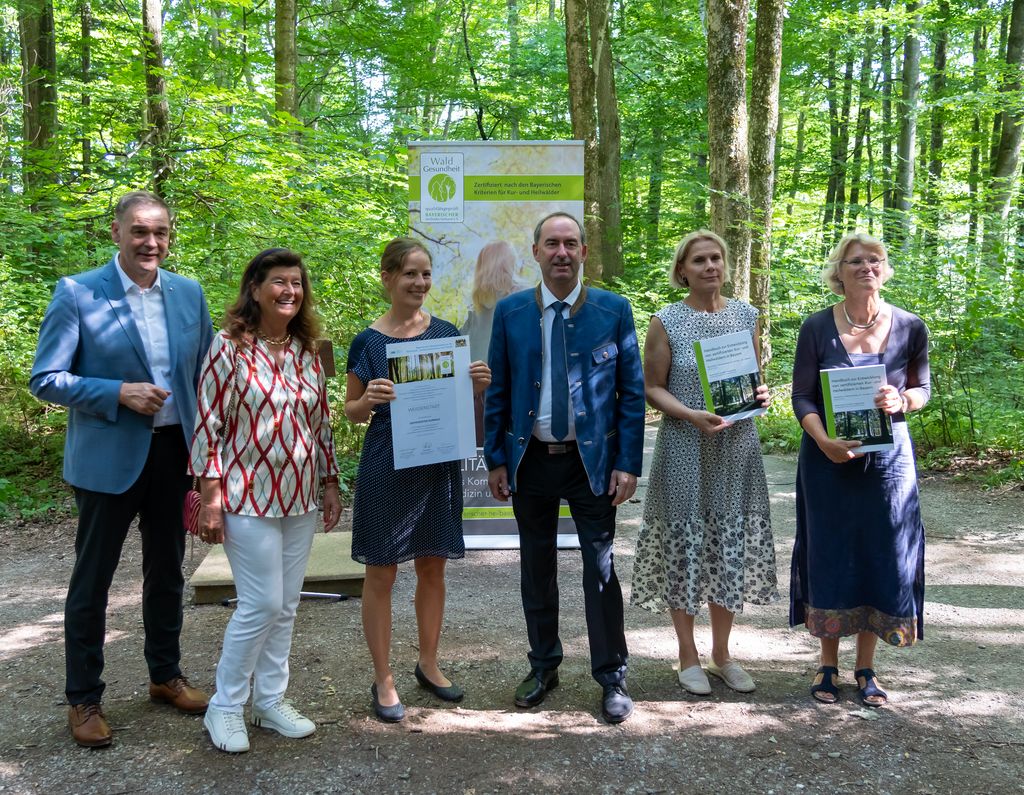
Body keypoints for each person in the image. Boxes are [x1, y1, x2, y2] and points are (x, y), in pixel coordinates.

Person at [29, 191, 214, 748]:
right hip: (109, 459)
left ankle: (165, 675)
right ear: (116, 233)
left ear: (170, 235)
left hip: (174, 455)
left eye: (159, 232)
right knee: (94, 580)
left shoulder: (188, 293)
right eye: (139, 231)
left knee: (167, 571)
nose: (150, 242)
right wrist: (117, 392)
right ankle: (83, 699)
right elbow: (46, 378)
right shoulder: (79, 292)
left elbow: (208, 374)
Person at [484, 212, 646, 724]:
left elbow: (632, 394)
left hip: (590, 462)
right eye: (551, 244)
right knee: (537, 567)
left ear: (582, 252)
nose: (561, 252)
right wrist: (495, 458)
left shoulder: (612, 310)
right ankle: (543, 665)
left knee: (600, 571)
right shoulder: (510, 312)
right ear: (535, 253)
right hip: (531, 460)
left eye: (570, 244)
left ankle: (611, 676)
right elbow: (499, 392)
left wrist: (627, 463)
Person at [190, 248, 341, 753]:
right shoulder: (228, 346)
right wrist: (210, 496)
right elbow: (207, 423)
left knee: (288, 605)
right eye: (279, 282)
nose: (290, 292)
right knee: (261, 602)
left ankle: (270, 700)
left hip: (299, 494)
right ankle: (225, 706)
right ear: (254, 288)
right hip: (244, 495)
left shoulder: (306, 349)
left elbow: (321, 425)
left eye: (297, 283)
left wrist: (330, 483)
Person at [345, 237, 491, 723]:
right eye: (410, 274)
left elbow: (464, 411)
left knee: (433, 568)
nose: (420, 283)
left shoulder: (447, 334)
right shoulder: (368, 342)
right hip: (387, 466)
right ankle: (382, 677)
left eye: (426, 274)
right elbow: (350, 413)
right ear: (386, 277)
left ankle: (428, 663)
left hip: (437, 467)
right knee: (381, 572)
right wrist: (369, 400)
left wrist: (475, 387)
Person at [631, 231, 778, 697]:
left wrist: (759, 396)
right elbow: (652, 387)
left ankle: (722, 653)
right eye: (699, 260)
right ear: (683, 271)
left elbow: (752, 381)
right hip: (684, 446)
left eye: (716, 258)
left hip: (735, 447)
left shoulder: (746, 315)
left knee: (727, 542)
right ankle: (687, 655)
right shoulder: (666, 320)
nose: (710, 266)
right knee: (686, 543)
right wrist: (690, 414)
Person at [790, 232, 930, 707]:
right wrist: (823, 439)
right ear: (839, 272)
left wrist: (904, 399)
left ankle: (866, 667)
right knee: (829, 552)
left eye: (876, 260)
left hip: (890, 462)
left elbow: (923, 388)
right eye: (857, 261)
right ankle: (827, 666)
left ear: (884, 269)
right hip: (827, 459)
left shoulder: (911, 326)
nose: (868, 267)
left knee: (881, 552)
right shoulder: (815, 328)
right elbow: (802, 396)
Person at [461, 241, 524, 446]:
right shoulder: (523, 296)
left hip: (477, 383)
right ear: (507, 264)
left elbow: (463, 341)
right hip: (507, 384)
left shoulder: (476, 302)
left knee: (481, 446)